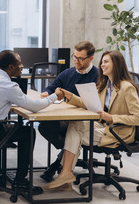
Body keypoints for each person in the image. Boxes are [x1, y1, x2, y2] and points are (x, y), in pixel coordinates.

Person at [0, 50, 64, 195]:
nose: (22, 66)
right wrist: (55, 96)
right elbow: (35, 107)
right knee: (28, 132)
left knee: (0, 125)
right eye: (20, 64)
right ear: (11, 67)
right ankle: (20, 181)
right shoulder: (9, 86)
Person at [43, 50, 139, 190]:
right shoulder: (105, 84)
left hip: (118, 132)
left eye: (106, 61)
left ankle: (65, 175)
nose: (102, 65)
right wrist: (70, 96)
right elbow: (88, 103)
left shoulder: (126, 87)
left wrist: (112, 118)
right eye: (102, 61)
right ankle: (65, 175)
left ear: (117, 64)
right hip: (103, 126)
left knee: (75, 132)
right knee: (75, 123)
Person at [38, 41, 98, 182]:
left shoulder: (98, 76)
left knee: (70, 130)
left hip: (86, 121)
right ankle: (66, 152)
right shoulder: (68, 73)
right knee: (44, 126)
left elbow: (97, 105)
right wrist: (46, 93)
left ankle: (57, 164)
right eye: (75, 57)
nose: (76, 61)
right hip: (67, 118)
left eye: (81, 58)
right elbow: (52, 87)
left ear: (91, 58)